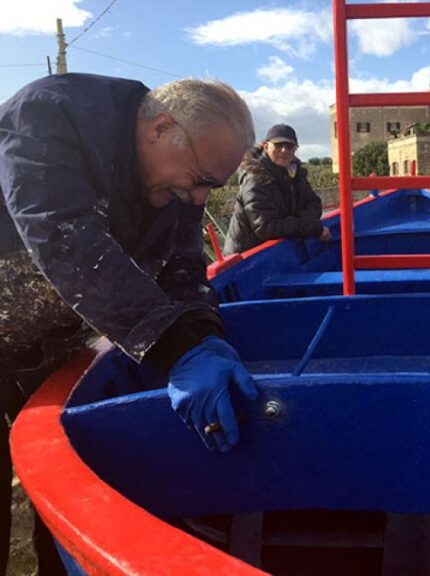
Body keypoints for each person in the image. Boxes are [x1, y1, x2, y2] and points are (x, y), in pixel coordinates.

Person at [0, 73, 259, 574]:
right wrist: (171, 349)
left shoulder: (177, 184)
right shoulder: (50, 116)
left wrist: (204, 337)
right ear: (161, 128)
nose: (201, 198)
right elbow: (66, 241)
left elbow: (183, 273)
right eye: (203, 178)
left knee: (65, 483)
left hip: (46, 343)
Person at [223, 124, 331, 254]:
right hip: (246, 260)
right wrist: (312, 227)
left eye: (289, 146)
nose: (284, 150)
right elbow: (266, 227)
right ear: (266, 146)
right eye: (279, 145)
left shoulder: (295, 174)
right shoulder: (255, 179)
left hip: (274, 254)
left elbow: (314, 203)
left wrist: (296, 221)